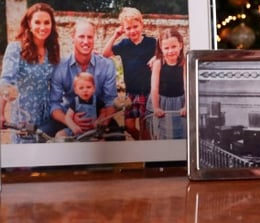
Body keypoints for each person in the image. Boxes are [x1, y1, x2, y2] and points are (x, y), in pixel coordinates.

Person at [44, 20, 117, 138]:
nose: (86, 41)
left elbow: (110, 101)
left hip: (97, 117)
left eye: (90, 37)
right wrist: (71, 122)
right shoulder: (60, 66)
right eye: (81, 36)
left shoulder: (107, 65)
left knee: (118, 139)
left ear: (94, 38)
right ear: (73, 37)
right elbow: (54, 104)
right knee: (43, 135)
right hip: (67, 115)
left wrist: (100, 122)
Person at [0, 2, 60, 143]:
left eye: (47, 22)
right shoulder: (15, 49)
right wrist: (1, 113)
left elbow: (58, 82)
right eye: (37, 22)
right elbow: (6, 81)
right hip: (23, 117)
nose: (42, 27)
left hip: (47, 119)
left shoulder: (52, 51)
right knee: (25, 161)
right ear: (29, 24)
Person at [103, 7, 158, 140]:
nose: (132, 31)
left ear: (141, 24)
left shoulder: (151, 42)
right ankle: (140, 141)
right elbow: (106, 53)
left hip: (147, 91)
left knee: (144, 125)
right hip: (131, 93)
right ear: (123, 29)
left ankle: (146, 149)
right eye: (128, 28)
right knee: (129, 126)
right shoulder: (124, 44)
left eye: (135, 26)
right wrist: (115, 35)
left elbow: (162, 53)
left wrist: (156, 57)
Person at [147, 28, 187, 140]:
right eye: (166, 48)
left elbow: (187, 87)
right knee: (162, 134)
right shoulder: (158, 63)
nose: (170, 51)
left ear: (180, 45)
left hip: (179, 102)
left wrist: (186, 106)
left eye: (174, 47)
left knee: (181, 133)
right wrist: (156, 107)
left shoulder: (185, 63)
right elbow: (154, 88)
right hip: (161, 101)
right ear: (161, 48)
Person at [52, 73, 103, 139]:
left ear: (94, 88)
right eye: (81, 88)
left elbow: (103, 113)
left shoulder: (97, 100)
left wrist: (98, 121)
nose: (85, 90)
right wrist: (73, 127)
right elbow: (68, 117)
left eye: (88, 87)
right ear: (76, 90)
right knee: (59, 135)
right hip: (77, 129)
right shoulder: (75, 101)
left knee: (102, 140)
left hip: (92, 131)